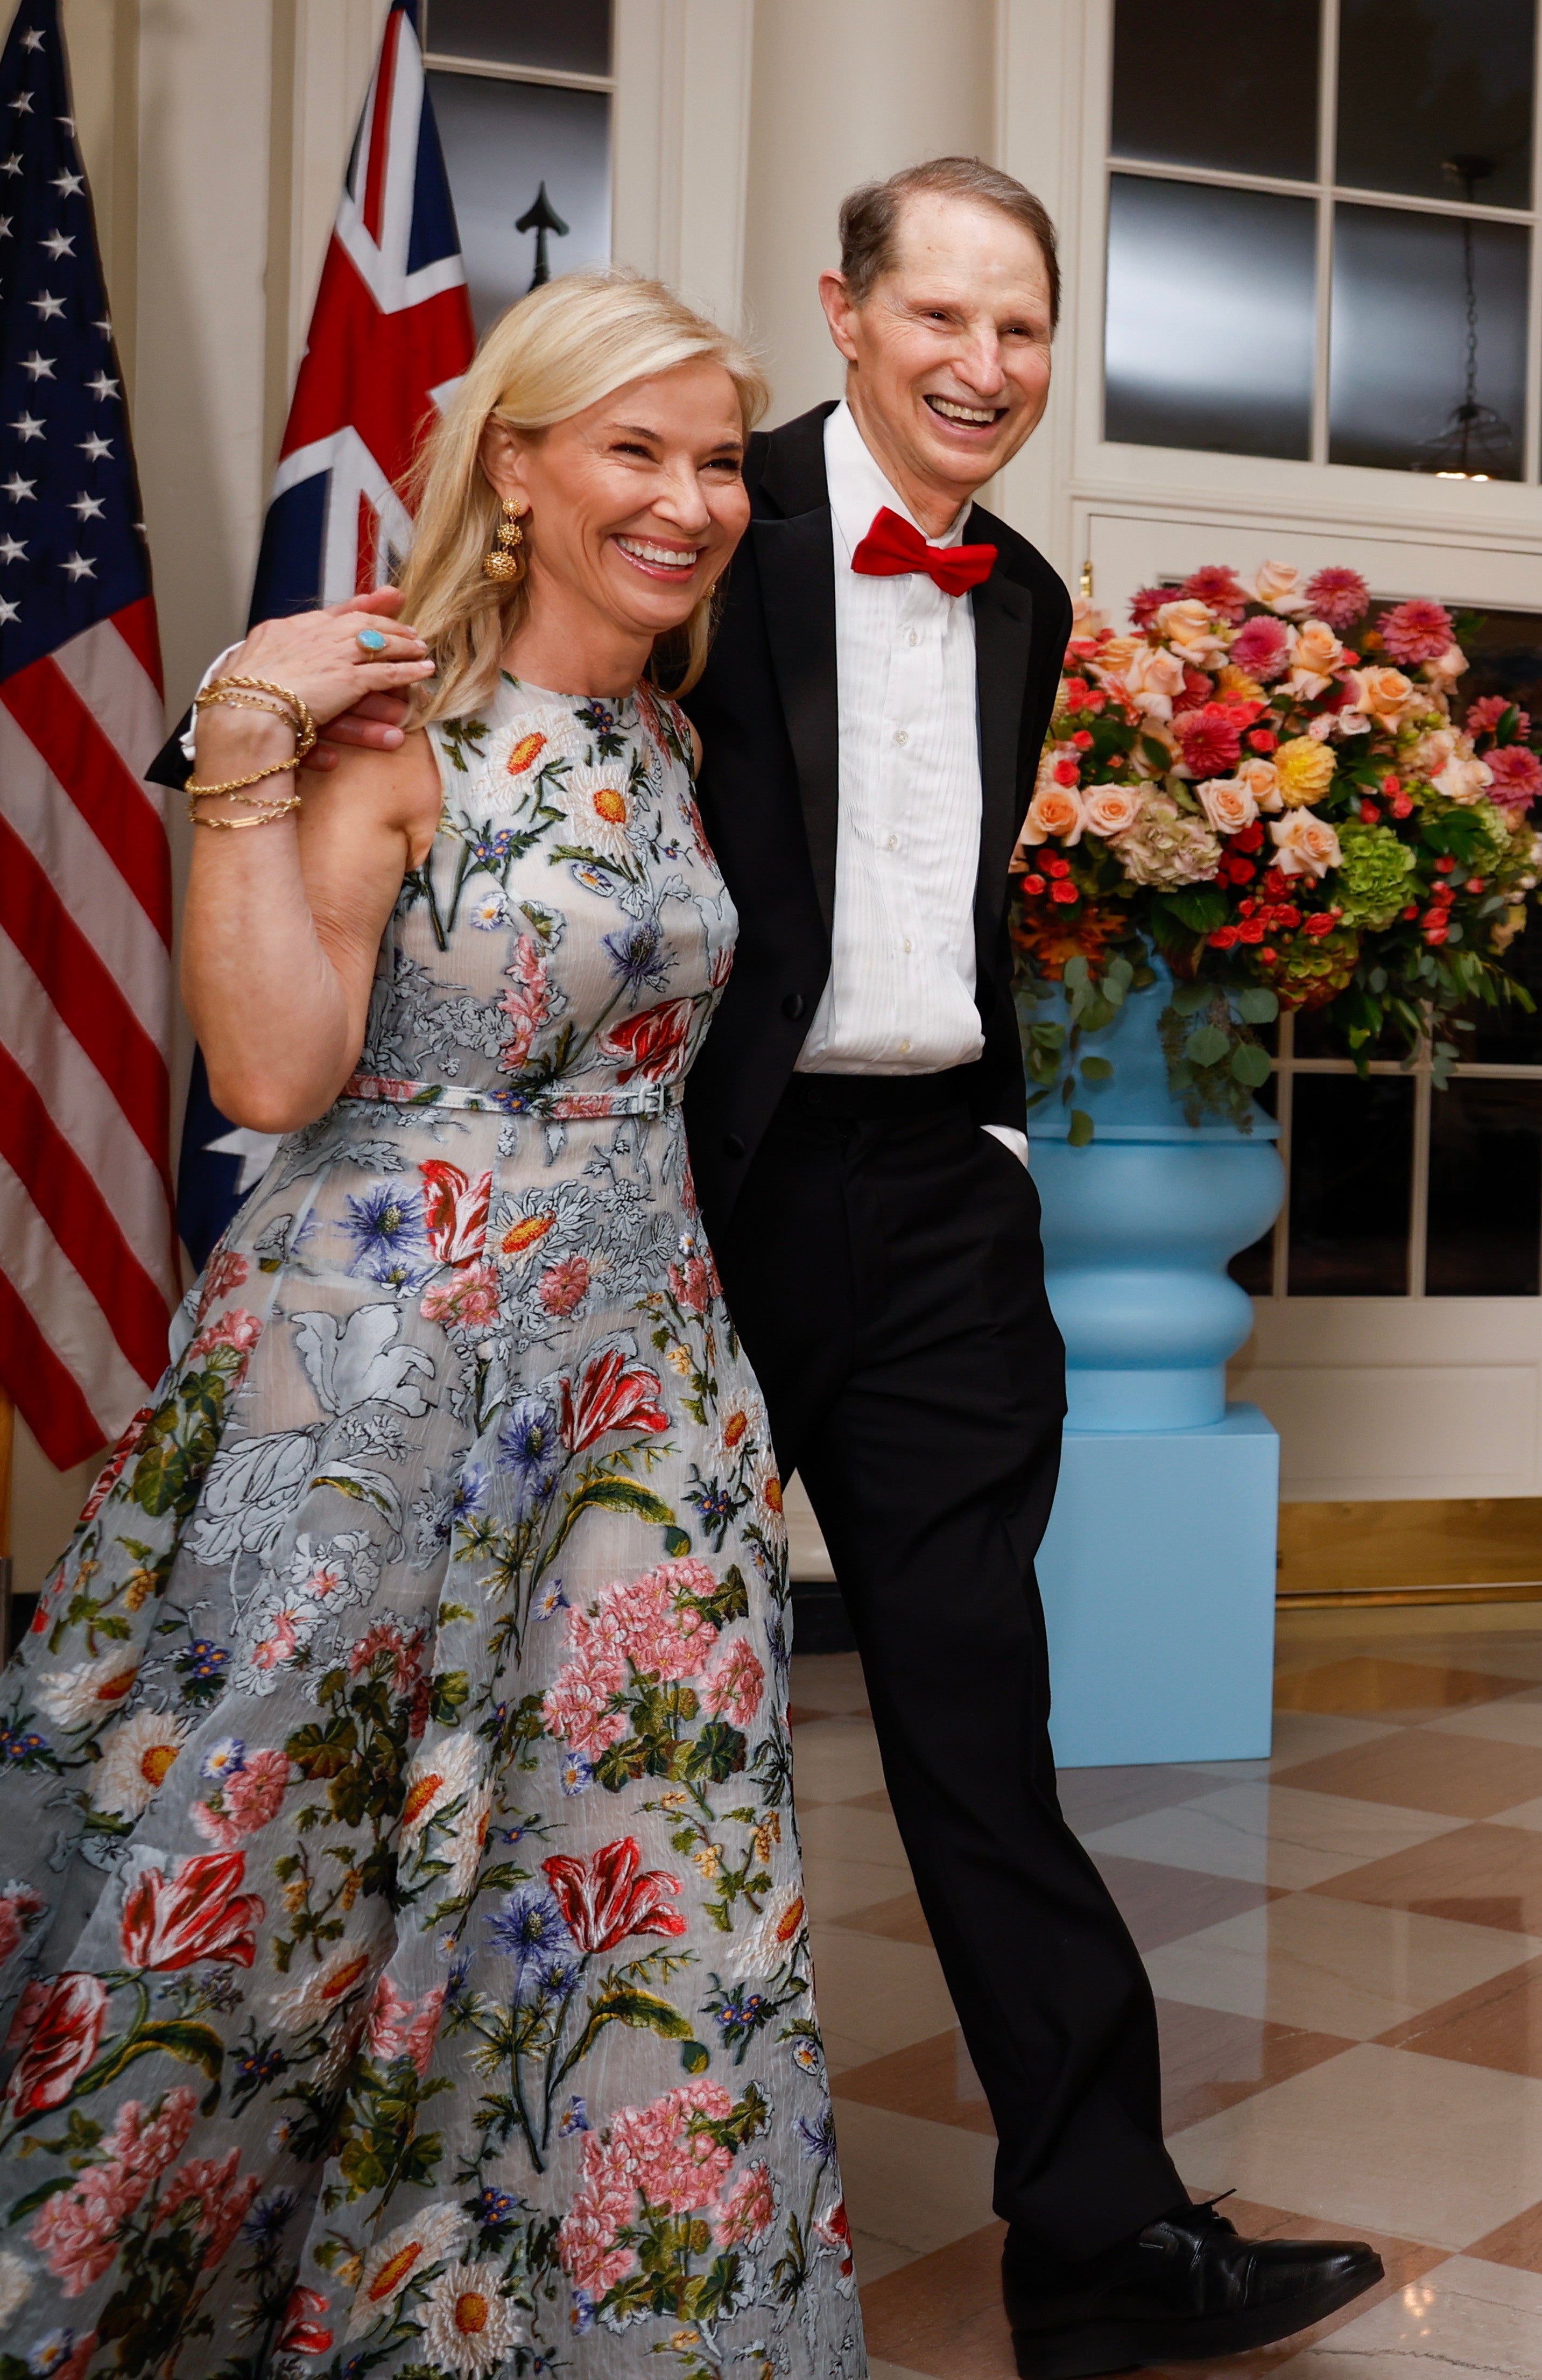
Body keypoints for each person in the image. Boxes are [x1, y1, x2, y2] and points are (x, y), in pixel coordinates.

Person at [0, 272, 863, 2370]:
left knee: (642, 1855)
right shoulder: (394, 727)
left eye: (718, 458)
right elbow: (279, 1073)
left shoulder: (663, 735)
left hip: (639, 1382)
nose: (687, 500)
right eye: (634, 450)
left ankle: (608, 2319)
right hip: (390, 1368)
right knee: (273, 1856)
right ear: (520, 464)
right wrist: (234, 755)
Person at [675, 161, 1382, 2377]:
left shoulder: (1033, 593)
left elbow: (938, 899)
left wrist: (984, 1125)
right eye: (943, 318)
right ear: (848, 311)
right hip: (693, 1198)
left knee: (982, 1715)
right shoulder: (709, 520)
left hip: (936, 1202)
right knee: (629, 1707)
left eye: (1025, 328)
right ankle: (575, 2208)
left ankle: (1098, 2236)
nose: (985, 367)